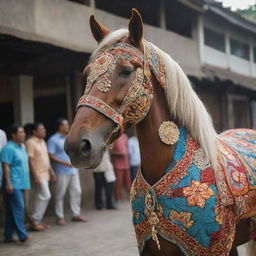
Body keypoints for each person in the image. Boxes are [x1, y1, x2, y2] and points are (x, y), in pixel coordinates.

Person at [47, 118, 87, 226]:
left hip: (73, 170)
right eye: (65, 125)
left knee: (77, 191)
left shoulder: (70, 137)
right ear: (60, 127)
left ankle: (76, 214)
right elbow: (51, 155)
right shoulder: (53, 140)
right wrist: (65, 163)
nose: (68, 126)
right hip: (61, 171)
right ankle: (59, 217)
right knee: (60, 194)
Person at [1, 124, 31, 243]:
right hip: (13, 183)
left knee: (10, 210)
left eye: (23, 132)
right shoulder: (8, 148)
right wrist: (8, 183)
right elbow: (5, 166)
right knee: (19, 208)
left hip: (21, 182)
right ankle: (23, 235)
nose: (23, 134)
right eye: (20, 132)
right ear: (13, 135)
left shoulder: (22, 146)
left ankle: (8, 235)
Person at [26, 122, 56, 231]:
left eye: (44, 129)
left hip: (45, 173)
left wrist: (51, 171)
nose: (44, 131)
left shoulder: (43, 141)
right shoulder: (30, 142)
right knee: (45, 195)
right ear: (34, 131)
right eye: (41, 129)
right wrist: (36, 176)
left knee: (38, 197)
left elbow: (46, 158)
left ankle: (36, 221)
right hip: (38, 174)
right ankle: (35, 220)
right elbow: (31, 160)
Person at [111, 133, 131, 201]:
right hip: (118, 165)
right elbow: (111, 151)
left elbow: (127, 147)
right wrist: (119, 154)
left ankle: (131, 196)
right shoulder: (114, 137)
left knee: (128, 181)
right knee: (118, 182)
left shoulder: (125, 136)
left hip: (126, 164)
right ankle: (117, 197)